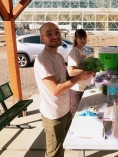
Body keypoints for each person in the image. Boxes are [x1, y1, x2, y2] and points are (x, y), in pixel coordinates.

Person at [34, 22, 94, 157]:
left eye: (57, 32)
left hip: (64, 110)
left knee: (63, 146)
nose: (55, 36)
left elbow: (65, 77)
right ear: (42, 38)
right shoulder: (44, 60)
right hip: (53, 115)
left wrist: (86, 72)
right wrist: (79, 77)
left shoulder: (59, 56)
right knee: (54, 153)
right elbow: (55, 90)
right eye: (49, 34)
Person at [67, 29, 92, 118]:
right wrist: (88, 72)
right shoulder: (74, 51)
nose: (83, 41)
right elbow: (71, 71)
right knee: (76, 114)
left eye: (84, 38)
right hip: (76, 88)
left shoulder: (82, 50)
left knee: (81, 113)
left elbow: (81, 67)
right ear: (76, 39)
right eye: (80, 38)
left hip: (82, 86)